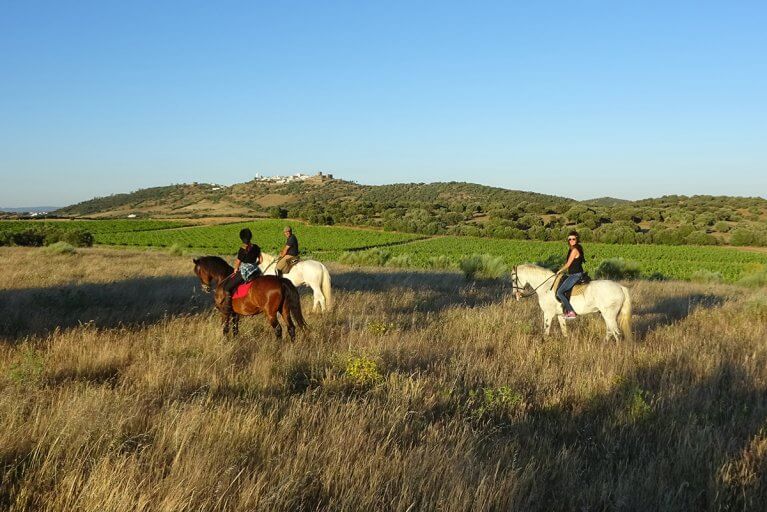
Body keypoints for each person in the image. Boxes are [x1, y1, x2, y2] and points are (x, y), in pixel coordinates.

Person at [223, 228, 262, 312]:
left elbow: (238, 262)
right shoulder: (256, 247)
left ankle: (228, 308)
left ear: (242, 238)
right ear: (250, 237)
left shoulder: (242, 249)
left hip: (245, 272)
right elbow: (261, 260)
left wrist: (235, 269)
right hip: (256, 271)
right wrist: (254, 265)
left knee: (227, 288)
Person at [556, 230, 586, 319]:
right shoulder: (573, 249)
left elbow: (568, 264)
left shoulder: (574, 250)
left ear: (577, 239)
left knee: (559, 292)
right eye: (569, 239)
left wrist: (559, 271)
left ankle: (571, 311)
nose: (571, 241)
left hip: (575, 275)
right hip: (574, 274)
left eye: (573, 239)